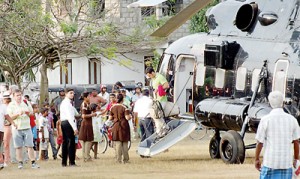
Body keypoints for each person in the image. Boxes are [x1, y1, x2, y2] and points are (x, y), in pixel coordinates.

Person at [255, 91, 300, 178]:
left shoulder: (265, 120)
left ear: (269, 103)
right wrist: (296, 159)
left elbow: (259, 142)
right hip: (286, 164)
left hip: (270, 162)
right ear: (283, 103)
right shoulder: (292, 119)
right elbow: (296, 142)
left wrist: (257, 159)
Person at [7, 89, 39, 169]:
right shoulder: (11, 105)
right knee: (18, 146)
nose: (19, 97)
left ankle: (33, 162)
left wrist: (27, 113)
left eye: (20, 95)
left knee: (30, 145)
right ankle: (20, 163)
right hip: (17, 128)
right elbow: (9, 117)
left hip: (27, 127)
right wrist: (18, 114)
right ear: (14, 96)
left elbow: (32, 114)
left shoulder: (26, 102)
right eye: (17, 95)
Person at [145, 67, 170, 136]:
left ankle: (165, 127)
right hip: (156, 99)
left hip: (162, 99)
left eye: (149, 75)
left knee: (157, 115)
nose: (149, 77)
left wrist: (158, 89)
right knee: (154, 115)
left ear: (152, 72)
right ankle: (159, 132)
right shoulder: (153, 79)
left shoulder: (160, 77)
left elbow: (167, 85)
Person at [109, 93, 132, 164]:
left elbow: (110, 118)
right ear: (123, 99)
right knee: (124, 142)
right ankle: (126, 159)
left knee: (118, 142)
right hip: (124, 125)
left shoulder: (112, 107)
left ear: (116, 99)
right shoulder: (125, 107)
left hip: (116, 125)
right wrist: (130, 116)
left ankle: (118, 159)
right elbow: (127, 117)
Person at [60, 88, 78, 167]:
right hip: (68, 123)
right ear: (66, 94)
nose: (72, 94)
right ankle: (71, 162)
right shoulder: (66, 103)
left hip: (64, 122)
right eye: (70, 93)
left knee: (65, 142)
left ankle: (64, 162)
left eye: (73, 93)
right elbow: (70, 117)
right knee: (71, 143)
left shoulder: (67, 103)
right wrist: (75, 128)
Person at [78, 92, 96, 162]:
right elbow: (83, 116)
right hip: (86, 124)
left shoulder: (87, 104)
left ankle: (85, 156)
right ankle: (87, 156)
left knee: (86, 140)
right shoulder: (84, 104)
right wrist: (92, 115)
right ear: (85, 97)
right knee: (88, 140)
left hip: (87, 123)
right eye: (89, 96)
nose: (90, 98)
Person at [0, 92, 15, 169]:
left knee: (5, 144)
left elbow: (8, 116)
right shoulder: (3, 106)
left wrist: (12, 123)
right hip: (3, 126)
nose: (7, 99)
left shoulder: (7, 106)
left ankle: (5, 160)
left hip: (5, 127)